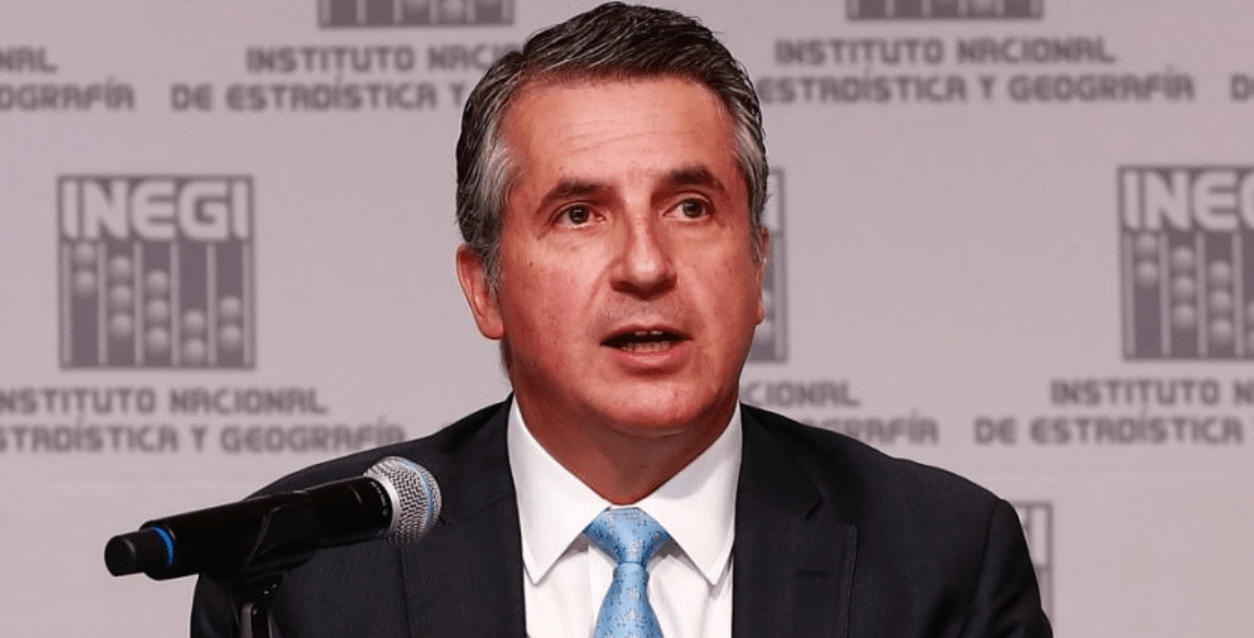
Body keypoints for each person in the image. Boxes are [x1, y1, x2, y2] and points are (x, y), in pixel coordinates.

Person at [192, 3, 1052, 637]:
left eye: (690, 207)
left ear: (758, 265)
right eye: (579, 214)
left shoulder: (941, 557)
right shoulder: (307, 572)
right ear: (484, 288)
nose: (646, 265)